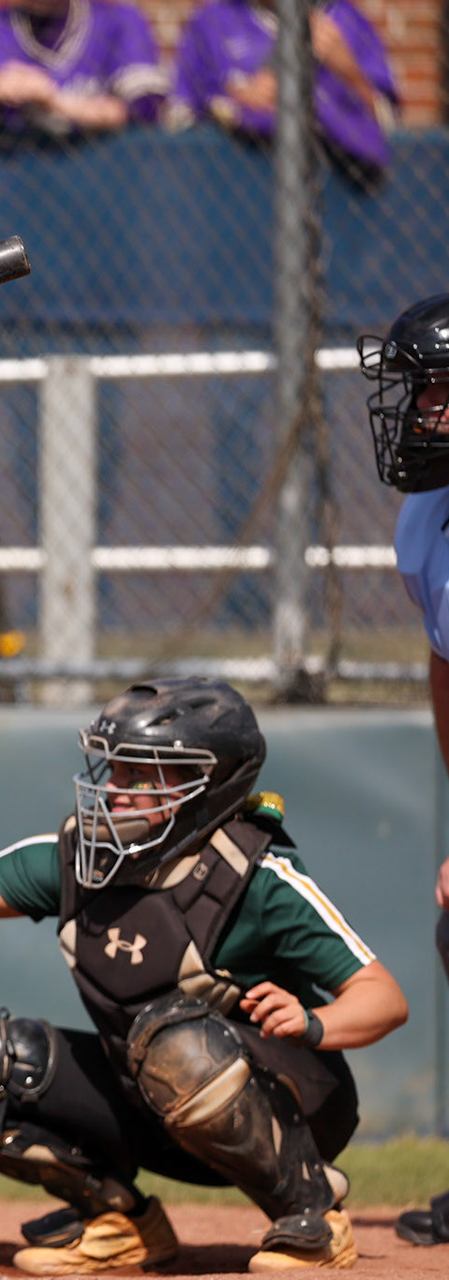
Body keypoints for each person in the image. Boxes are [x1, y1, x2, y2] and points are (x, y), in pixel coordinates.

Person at [0, 676, 407, 1272]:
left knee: (179, 1041)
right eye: (114, 770)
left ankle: (312, 1214)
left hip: (291, 1108)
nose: (115, 791)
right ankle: (120, 1220)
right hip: (154, 1106)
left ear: (210, 784)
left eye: (141, 774)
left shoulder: (259, 879)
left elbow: (383, 998)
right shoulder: (83, 860)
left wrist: (312, 1021)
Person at [358, 295, 449, 1247]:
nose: (421, 411)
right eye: (419, 392)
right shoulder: (425, 515)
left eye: (441, 394)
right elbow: (445, 661)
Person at [168, 0, 396, 183]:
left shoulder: (344, 17)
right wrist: (234, 103)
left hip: (336, 195)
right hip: (230, 192)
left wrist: (348, 71)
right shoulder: (211, 21)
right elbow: (178, 120)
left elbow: (386, 122)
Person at [0, 0, 168, 138]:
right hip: (13, 192)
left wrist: (56, 101)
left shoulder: (119, 21)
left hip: (111, 193)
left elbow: (147, 108)